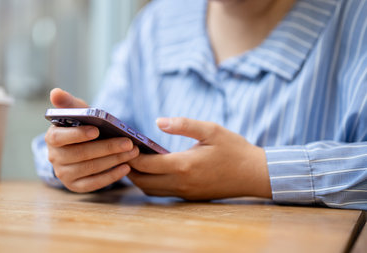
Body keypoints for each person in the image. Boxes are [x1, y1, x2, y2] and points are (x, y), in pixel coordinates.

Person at [32, 0, 367, 210]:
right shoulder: (156, 24)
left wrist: (255, 172)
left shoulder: (356, 22)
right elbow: (95, 139)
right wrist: (75, 158)